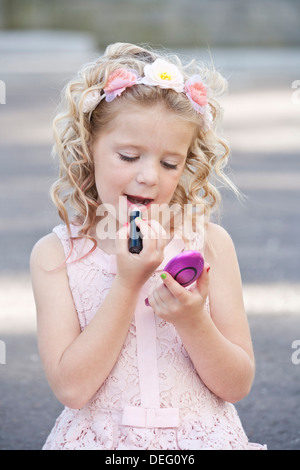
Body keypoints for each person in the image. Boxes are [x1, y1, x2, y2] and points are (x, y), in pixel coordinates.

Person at [30, 42, 266, 450]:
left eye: (169, 163)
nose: (149, 177)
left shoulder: (209, 244)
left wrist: (193, 321)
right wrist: (126, 284)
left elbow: (237, 384)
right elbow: (72, 390)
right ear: (89, 149)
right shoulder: (55, 256)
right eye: (128, 156)